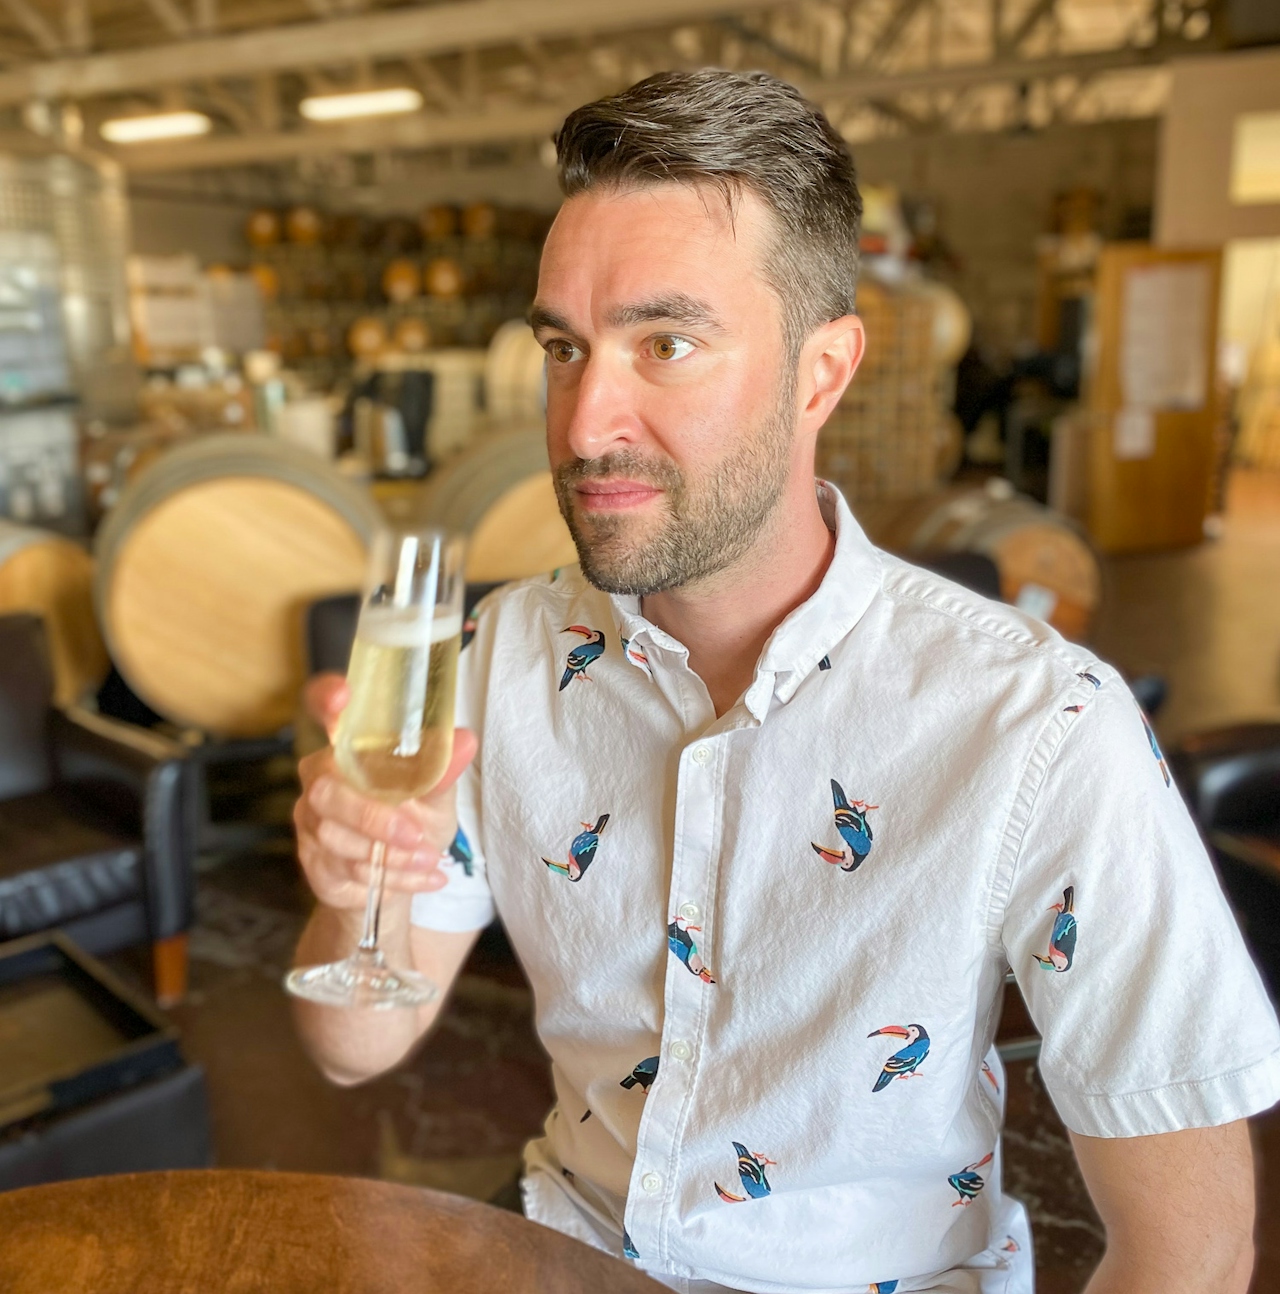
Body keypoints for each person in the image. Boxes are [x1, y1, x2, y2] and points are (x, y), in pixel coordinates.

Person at [291, 69, 1280, 1294]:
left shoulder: (1038, 723)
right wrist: (354, 887)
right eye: (562, 346)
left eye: (667, 343)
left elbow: (1186, 1248)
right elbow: (350, 1043)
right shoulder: (496, 655)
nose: (586, 417)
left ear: (822, 372)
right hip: (561, 1253)